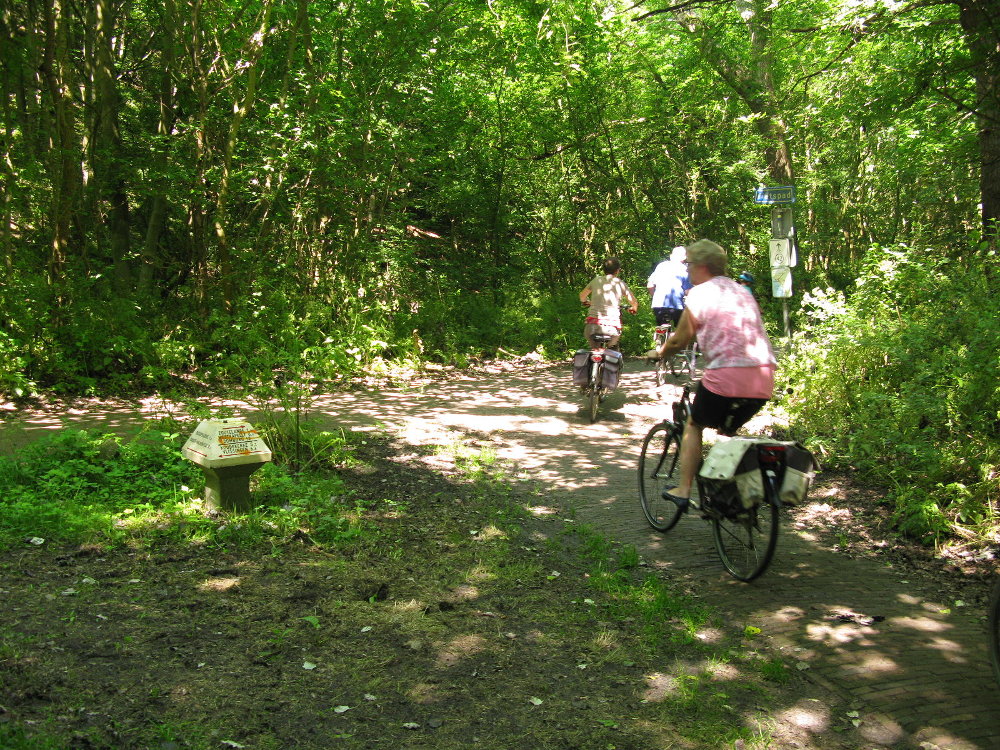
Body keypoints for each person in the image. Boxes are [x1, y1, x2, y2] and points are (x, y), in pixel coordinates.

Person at [654, 239, 777, 511]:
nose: (687, 271)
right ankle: (733, 490)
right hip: (763, 376)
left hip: (727, 375)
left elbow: (680, 341)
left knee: (695, 425)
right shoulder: (742, 291)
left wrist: (660, 353)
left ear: (702, 266)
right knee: (726, 429)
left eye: (689, 265)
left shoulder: (700, 293)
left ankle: (684, 489)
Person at [579, 257, 638, 349]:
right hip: (611, 328)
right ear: (617, 271)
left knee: (594, 350)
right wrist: (634, 308)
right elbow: (633, 301)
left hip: (592, 327)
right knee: (611, 350)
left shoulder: (596, 280)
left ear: (604, 270)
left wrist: (586, 301)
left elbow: (582, 296)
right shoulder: (620, 283)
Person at [647, 246, 690, 327]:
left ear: (671, 256)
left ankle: (660, 338)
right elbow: (688, 291)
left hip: (658, 304)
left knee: (661, 328)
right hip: (677, 306)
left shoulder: (660, 266)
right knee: (681, 330)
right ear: (684, 257)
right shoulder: (685, 269)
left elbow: (650, 285)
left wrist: (655, 296)